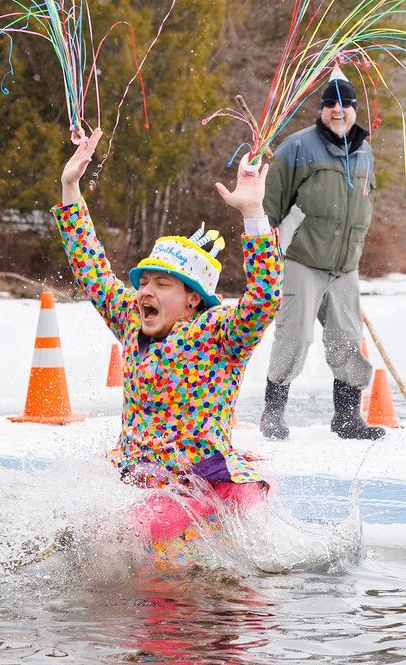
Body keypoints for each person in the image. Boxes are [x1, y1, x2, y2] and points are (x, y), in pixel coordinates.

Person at [52, 128, 283, 543]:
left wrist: (253, 214)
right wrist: (70, 186)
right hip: (146, 481)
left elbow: (265, 298)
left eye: (162, 284)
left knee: (161, 548)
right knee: (98, 535)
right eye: (144, 282)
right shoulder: (130, 320)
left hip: (204, 482)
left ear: (192, 300)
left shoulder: (219, 334)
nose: (144, 292)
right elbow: (91, 268)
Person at [260, 67, 383, 441]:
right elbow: (271, 205)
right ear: (322, 109)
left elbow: (365, 202)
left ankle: (346, 418)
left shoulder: (365, 152)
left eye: (345, 104)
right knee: (294, 336)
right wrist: (272, 248)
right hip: (302, 259)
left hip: (344, 266)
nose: (338, 110)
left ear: (355, 110)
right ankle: (273, 412)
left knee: (347, 337)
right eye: (330, 104)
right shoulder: (297, 147)